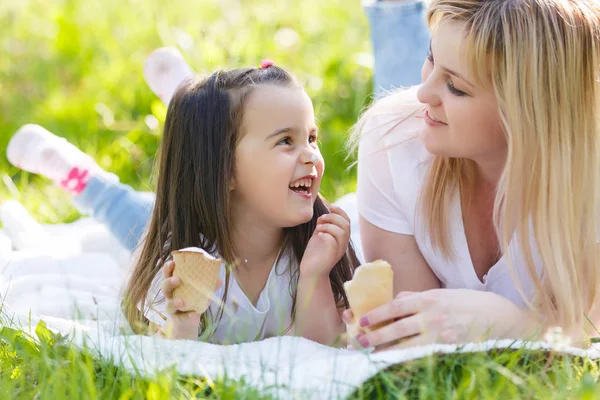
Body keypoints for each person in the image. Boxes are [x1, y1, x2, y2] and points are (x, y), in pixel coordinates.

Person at [344, 0, 600, 350]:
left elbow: (590, 334)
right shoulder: (393, 137)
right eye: (431, 57)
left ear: (526, 112)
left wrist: (515, 326)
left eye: (456, 87)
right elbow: (414, 335)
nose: (423, 94)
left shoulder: (590, 179)